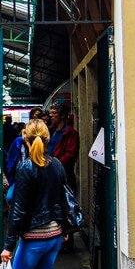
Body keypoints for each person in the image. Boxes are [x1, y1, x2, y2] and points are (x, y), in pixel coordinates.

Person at [1, 119, 68, 269]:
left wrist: (8, 245)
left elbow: (17, 211)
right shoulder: (57, 164)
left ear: (25, 140)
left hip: (35, 238)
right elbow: (63, 200)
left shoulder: (27, 168)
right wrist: (65, 230)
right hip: (55, 235)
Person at [46, 102, 79, 251]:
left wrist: (53, 164)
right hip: (48, 176)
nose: (51, 115)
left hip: (63, 177)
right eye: (51, 112)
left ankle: (67, 243)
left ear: (63, 116)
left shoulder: (71, 133)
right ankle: (53, 240)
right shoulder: (50, 131)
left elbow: (71, 155)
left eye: (54, 113)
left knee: (66, 209)